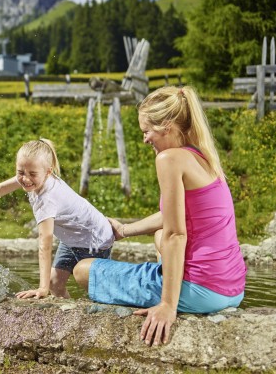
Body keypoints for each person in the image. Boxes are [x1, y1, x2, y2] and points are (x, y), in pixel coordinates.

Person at [73, 85, 247, 347]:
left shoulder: (169, 159)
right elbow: (173, 216)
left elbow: (177, 233)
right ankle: (173, 287)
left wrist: (167, 305)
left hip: (202, 291)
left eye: (147, 131)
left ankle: (171, 293)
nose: (145, 139)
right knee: (157, 237)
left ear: (166, 126)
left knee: (82, 270)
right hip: (232, 289)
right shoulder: (203, 156)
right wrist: (125, 229)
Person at [0, 138, 114, 300]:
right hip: (73, 238)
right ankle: (67, 313)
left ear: (48, 172)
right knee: (55, 284)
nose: (25, 179)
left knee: (99, 292)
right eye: (20, 172)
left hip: (93, 240)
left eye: (32, 174)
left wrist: (42, 288)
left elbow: (45, 242)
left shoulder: (47, 198)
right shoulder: (33, 175)